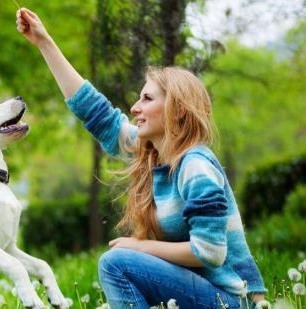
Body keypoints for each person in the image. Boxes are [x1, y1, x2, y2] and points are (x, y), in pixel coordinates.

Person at [15, 7, 267, 309]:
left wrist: (141, 247)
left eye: (146, 99)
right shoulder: (154, 154)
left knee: (117, 263)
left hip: (232, 300)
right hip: (199, 294)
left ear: (177, 109)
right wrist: (45, 42)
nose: (135, 107)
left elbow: (210, 251)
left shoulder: (196, 166)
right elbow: (96, 113)